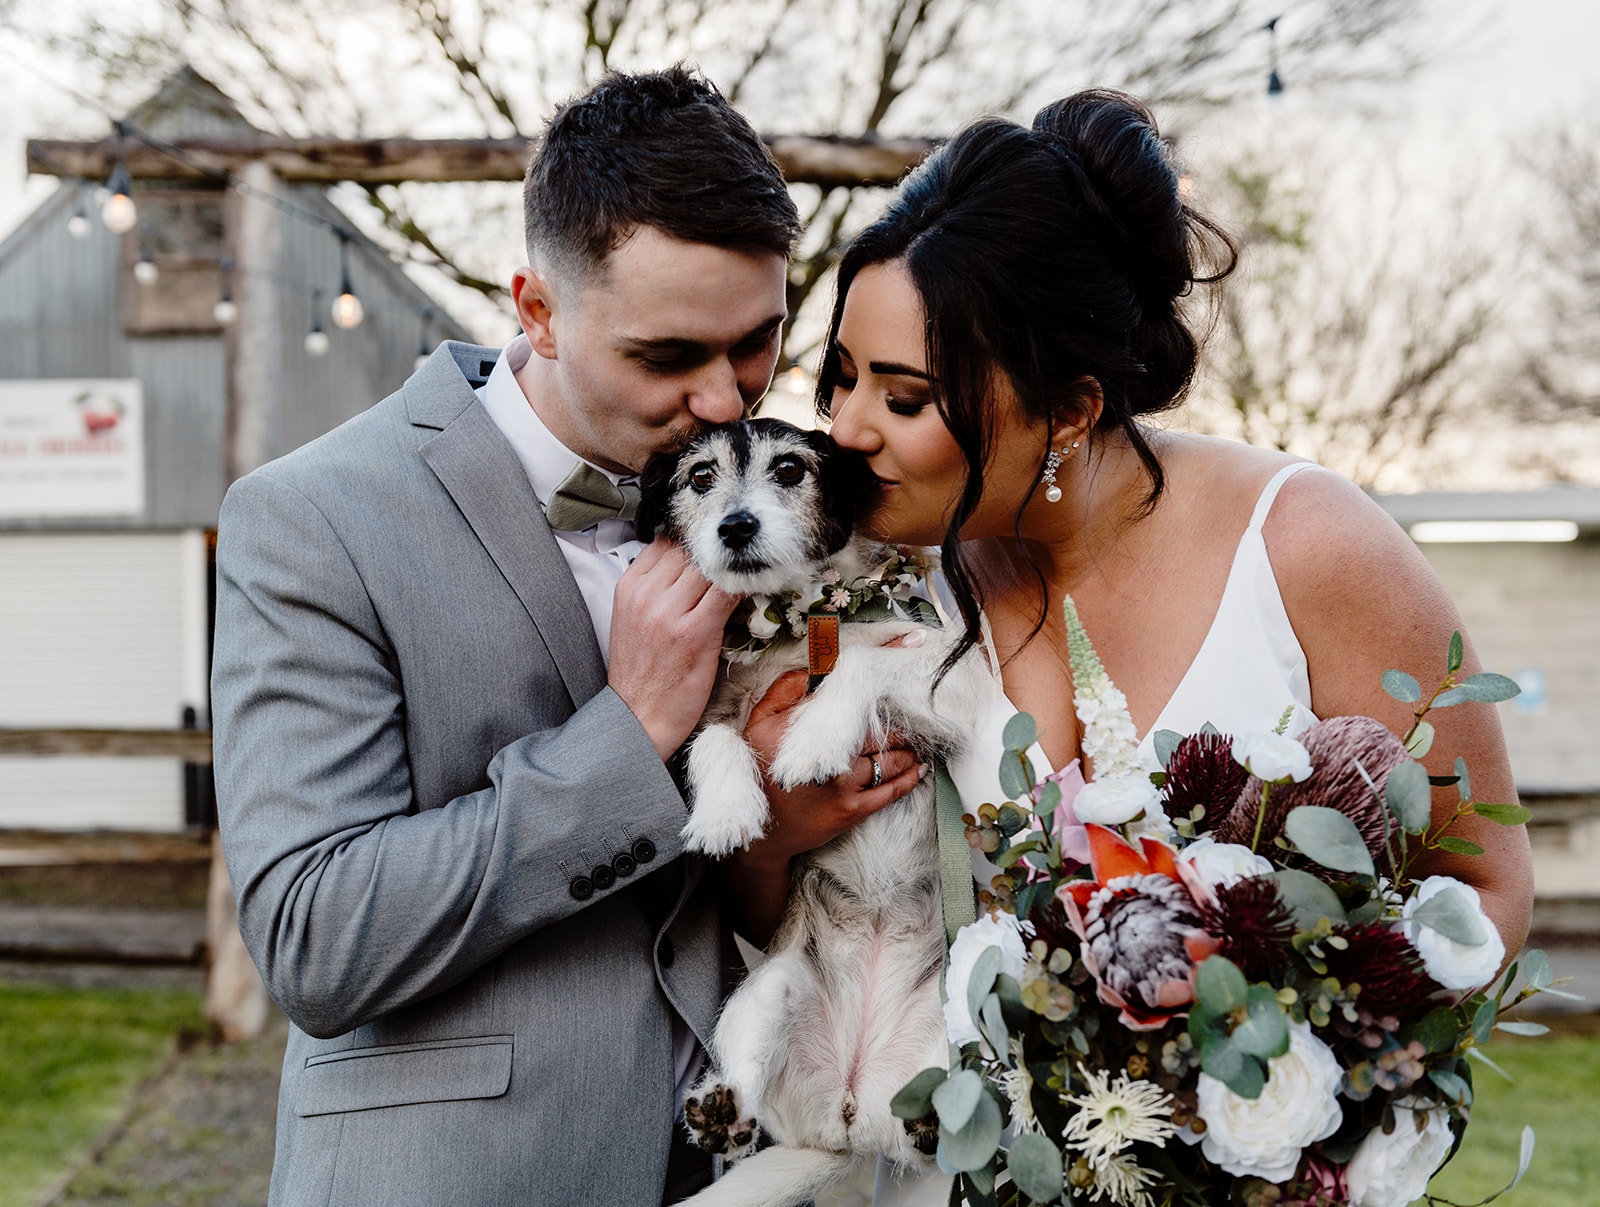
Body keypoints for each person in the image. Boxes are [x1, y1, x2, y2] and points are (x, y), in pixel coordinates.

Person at [796, 89, 1535, 1205]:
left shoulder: (1310, 549)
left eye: (904, 398)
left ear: (1074, 407)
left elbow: (1480, 881)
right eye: (840, 377)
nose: (847, 430)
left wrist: (1293, 1120)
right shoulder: (867, 587)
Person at [210, 66, 920, 1207]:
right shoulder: (314, 518)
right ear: (535, 309)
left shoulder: (774, 512)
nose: (728, 403)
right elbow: (316, 937)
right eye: (666, 356)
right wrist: (629, 733)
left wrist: (771, 844)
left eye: (755, 342)